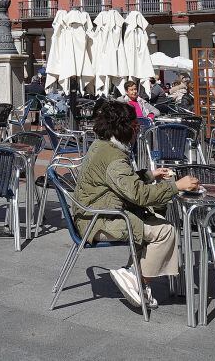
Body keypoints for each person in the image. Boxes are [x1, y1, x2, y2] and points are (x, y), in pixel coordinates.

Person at [74, 98, 198, 310]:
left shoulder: (102, 145)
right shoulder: (115, 158)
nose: (137, 129)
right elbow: (139, 195)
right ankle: (139, 281)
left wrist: (149, 174)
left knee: (151, 219)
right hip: (98, 220)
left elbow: (121, 182)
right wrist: (176, 186)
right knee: (165, 231)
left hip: (92, 213)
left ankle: (135, 274)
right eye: (135, 125)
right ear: (124, 128)